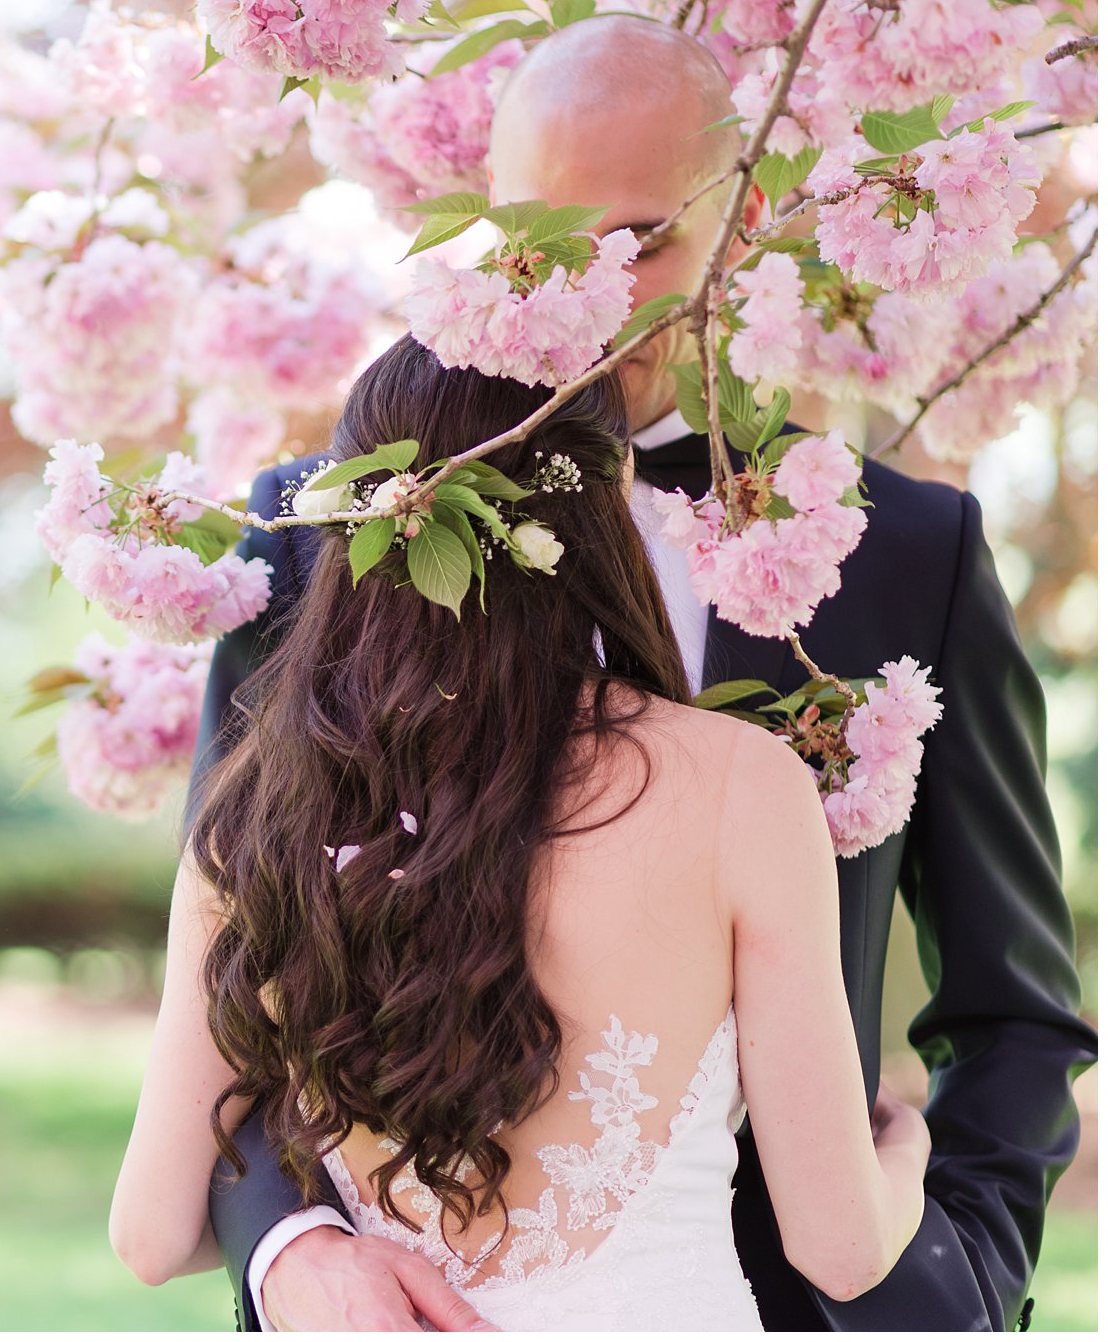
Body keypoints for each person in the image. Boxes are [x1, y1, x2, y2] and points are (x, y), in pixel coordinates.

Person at [189, 14, 1094, 1333]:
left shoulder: (906, 555)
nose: (589, 298)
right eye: (540, 243)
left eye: (643, 240)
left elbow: (1015, 1010)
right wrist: (295, 1254)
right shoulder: (317, 531)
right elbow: (229, 973)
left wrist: (944, 1287)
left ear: (747, 212)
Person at [111, 342, 934, 1328]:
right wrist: (906, 1147)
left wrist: (299, 1238)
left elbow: (151, 1232)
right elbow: (839, 1247)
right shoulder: (742, 785)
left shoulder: (261, 803)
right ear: (604, 499)